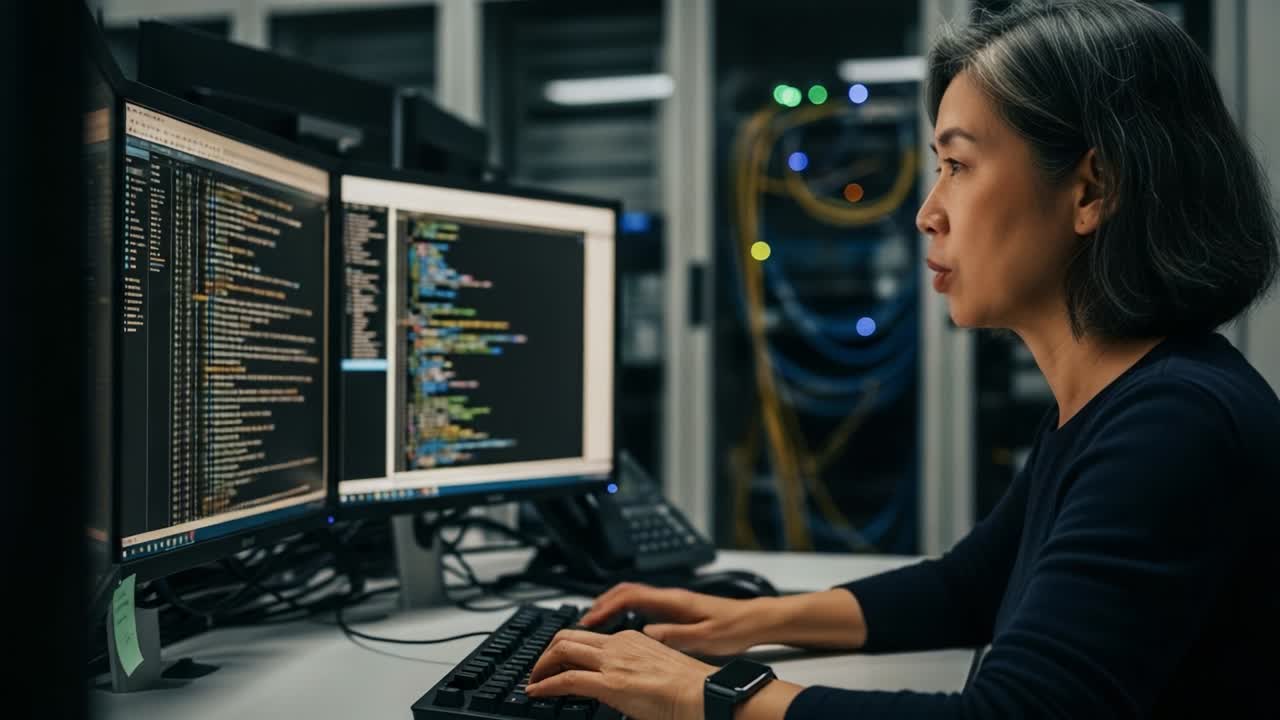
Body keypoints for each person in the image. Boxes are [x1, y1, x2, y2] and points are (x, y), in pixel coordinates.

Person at [525, 0, 1280, 717]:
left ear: (1092, 188)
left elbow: (1018, 715)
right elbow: (970, 587)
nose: (928, 212)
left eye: (958, 165)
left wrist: (703, 694)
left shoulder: (1174, 425)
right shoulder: (1114, 402)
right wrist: (740, 619)